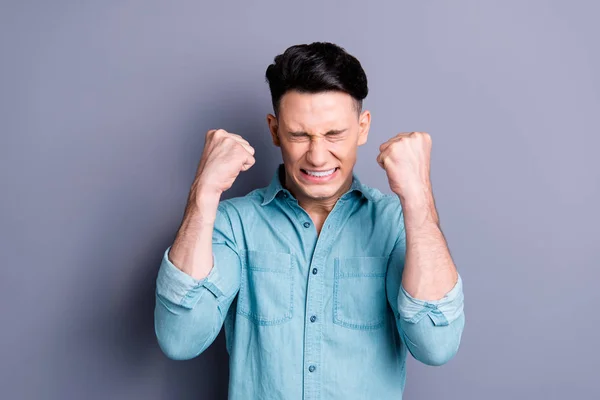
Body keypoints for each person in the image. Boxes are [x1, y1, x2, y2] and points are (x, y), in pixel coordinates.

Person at [154, 42, 465, 399]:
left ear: (363, 128)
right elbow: (179, 338)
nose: (317, 157)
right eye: (299, 135)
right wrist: (203, 193)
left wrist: (418, 197)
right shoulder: (233, 225)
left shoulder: (396, 224)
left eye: (335, 134)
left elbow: (437, 345)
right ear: (274, 131)